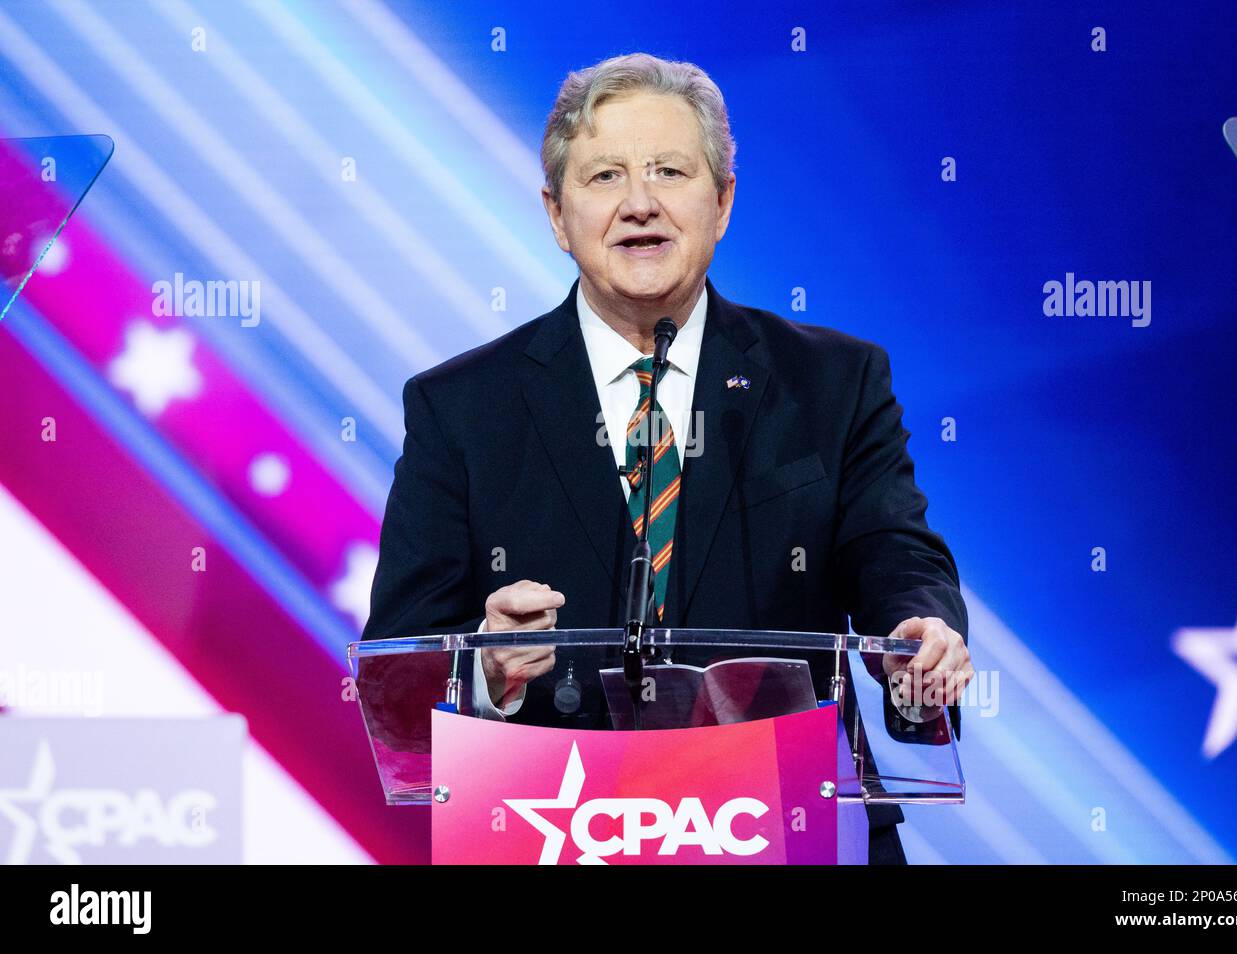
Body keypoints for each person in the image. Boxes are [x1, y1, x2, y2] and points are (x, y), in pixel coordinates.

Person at [363, 52, 972, 864]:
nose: (639, 203)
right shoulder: (459, 409)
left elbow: (895, 557)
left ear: (721, 202)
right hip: (556, 830)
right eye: (605, 175)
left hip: (790, 829)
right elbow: (402, 672)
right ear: (555, 213)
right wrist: (486, 669)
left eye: (669, 172)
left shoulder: (833, 381)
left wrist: (918, 639)